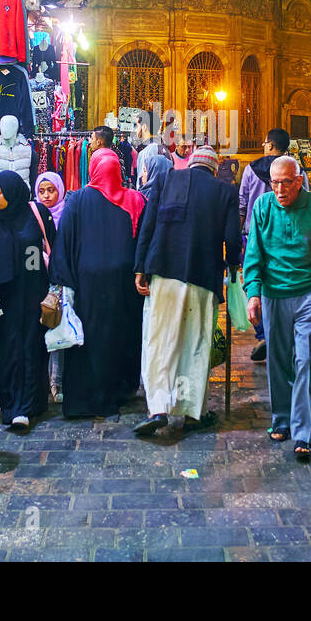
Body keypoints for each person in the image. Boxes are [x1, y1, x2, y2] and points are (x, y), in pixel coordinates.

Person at [132, 145, 241, 437]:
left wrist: (140, 267)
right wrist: (232, 266)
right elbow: (232, 239)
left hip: (163, 271)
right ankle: (194, 412)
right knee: (195, 343)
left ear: (190, 164)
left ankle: (158, 408)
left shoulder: (167, 180)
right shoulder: (225, 191)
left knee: (160, 340)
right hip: (203, 276)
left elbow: (148, 225)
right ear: (215, 169)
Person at [243, 156, 311, 461]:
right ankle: (282, 419)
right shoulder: (263, 207)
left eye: (285, 182)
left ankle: (304, 433)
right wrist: (253, 292)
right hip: (275, 295)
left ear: (299, 180)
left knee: (306, 361)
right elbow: (254, 253)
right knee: (278, 362)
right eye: (274, 182)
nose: (279, 189)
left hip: (310, 294)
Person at [49, 148, 146, 417]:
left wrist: (62, 279)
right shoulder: (135, 199)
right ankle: (119, 391)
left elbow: (64, 241)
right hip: (124, 285)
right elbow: (143, 240)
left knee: (88, 339)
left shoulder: (77, 199)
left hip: (88, 284)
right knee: (120, 337)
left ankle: (86, 400)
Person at [0, 170, 55, 432]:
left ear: (11, 193)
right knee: (4, 353)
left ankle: (26, 406)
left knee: (31, 350)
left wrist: (47, 289)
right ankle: (10, 404)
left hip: (31, 297)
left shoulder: (35, 215)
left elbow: (44, 252)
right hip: (2, 301)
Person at [237, 128, 306, 362]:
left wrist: (240, 232)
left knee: (256, 280)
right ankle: (284, 333)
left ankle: (264, 334)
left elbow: (242, 203)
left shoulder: (250, 169)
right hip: (287, 233)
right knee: (283, 280)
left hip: (254, 234)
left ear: (269, 145)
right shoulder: (297, 171)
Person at [34, 170, 66, 402]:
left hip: (60, 281)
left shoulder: (67, 214)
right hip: (39, 281)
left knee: (58, 330)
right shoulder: (32, 215)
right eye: (41, 191)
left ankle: (57, 381)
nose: (46, 196)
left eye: (51, 190)